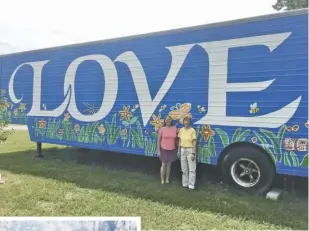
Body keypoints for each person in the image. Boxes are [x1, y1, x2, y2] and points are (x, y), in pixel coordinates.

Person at [177, 116, 197, 190]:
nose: (186, 122)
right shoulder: (181, 130)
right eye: (185, 121)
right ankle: (185, 183)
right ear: (183, 122)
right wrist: (178, 150)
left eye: (188, 121)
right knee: (184, 169)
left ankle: (191, 185)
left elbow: (194, 142)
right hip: (182, 149)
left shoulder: (192, 130)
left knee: (192, 169)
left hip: (190, 150)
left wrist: (193, 153)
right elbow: (179, 141)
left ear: (190, 122)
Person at [157, 116, 178, 184]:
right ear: (164, 121)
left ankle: (167, 179)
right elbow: (159, 140)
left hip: (172, 149)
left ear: (171, 121)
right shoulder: (162, 129)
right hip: (164, 149)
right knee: (163, 165)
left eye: (169, 120)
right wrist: (158, 150)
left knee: (169, 166)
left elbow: (177, 139)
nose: (168, 121)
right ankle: (162, 179)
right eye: (166, 120)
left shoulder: (174, 128)